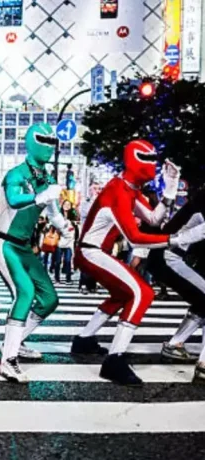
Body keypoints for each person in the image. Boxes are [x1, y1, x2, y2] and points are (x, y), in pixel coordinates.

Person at [72, 140, 182, 386]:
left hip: (94, 252)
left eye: (155, 158)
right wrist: (177, 239)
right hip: (91, 251)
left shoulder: (129, 189)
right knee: (142, 292)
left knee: (122, 295)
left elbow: (153, 219)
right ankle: (114, 360)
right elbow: (134, 236)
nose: (153, 163)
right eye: (147, 158)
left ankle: (84, 339)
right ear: (134, 159)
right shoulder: (119, 191)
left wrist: (171, 190)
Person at [0, 123, 70, 382]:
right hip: (4, 243)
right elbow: (14, 199)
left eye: (51, 140)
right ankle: (8, 359)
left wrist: (69, 232)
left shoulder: (46, 179)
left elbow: (54, 213)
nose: (48, 144)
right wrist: (41, 196)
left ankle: (16, 341)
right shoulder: (16, 174)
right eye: (43, 139)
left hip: (24, 246)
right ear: (31, 141)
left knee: (49, 299)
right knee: (25, 292)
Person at [146, 186, 205, 382]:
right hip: (168, 258)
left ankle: (175, 345)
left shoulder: (194, 207)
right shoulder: (200, 210)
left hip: (164, 257)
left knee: (201, 301)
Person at [54, 200, 78, 285]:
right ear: (62, 205)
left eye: (69, 204)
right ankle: (57, 278)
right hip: (59, 241)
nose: (67, 206)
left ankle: (68, 279)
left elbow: (76, 227)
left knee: (68, 261)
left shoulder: (73, 216)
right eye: (65, 204)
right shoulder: (58, 215)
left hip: (69, 242)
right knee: (58, 261)